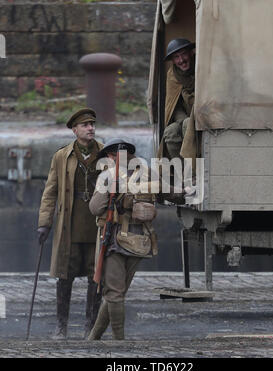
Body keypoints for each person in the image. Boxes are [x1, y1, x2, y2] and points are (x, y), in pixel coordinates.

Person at [37, 108, 104, 339]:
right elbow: (50, 192)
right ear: (75, 130)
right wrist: (44, 223)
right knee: (64, 277)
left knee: (96, 278)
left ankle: (91, 326)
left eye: (92, 124)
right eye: (85, 125)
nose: (90, 128)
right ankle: (61, 325)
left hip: (97, 226)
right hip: (70, 225)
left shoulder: (106, 154)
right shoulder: (62, 156)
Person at [87, 138, 158, 341]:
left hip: (115, 241)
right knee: (115, 294)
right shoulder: (148, 172)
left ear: (110, 156)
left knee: (114, 294)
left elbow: (95, 208)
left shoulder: (109, 175)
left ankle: (119, 342)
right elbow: (165, 192)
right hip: (140, 240)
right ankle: (94, 337)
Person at [158, 38, 196, 160]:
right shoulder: (172, 75)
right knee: (170, 131)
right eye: (176, 57)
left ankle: (194, 170)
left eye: (184, 54)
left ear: (191, 53)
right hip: (185, 117)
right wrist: (183, 120)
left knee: (187, 125)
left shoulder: (201, 68)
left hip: (202, 115)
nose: (181, 60)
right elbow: (174, 105)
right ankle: (182, 172)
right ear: (173, 60)